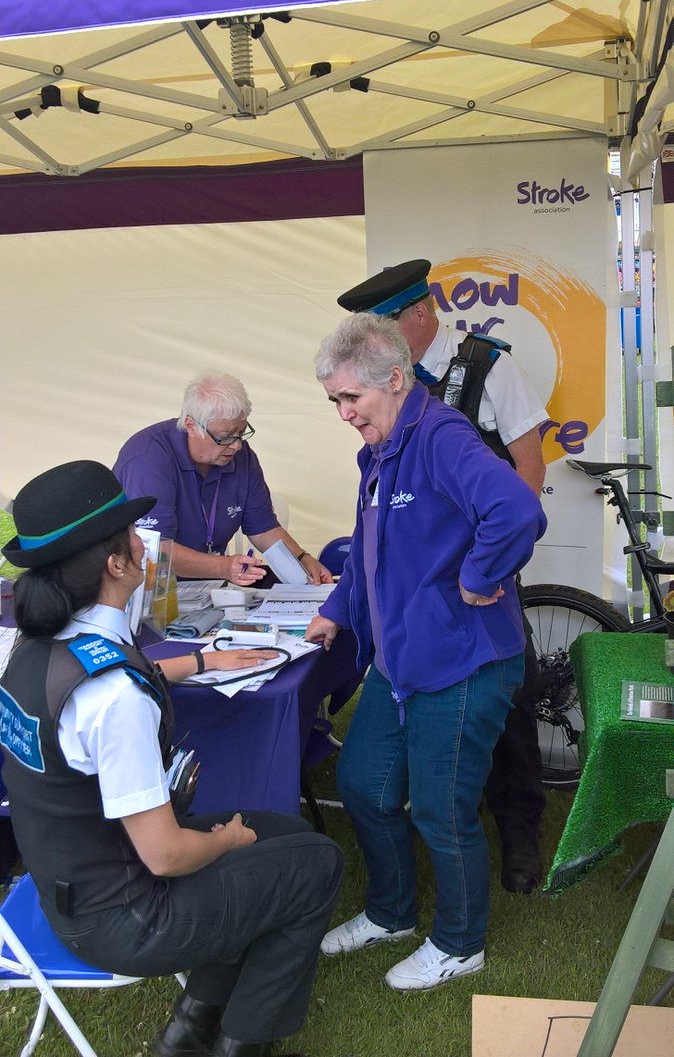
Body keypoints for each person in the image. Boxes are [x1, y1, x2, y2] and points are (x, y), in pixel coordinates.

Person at [0, 461, 343, 1057]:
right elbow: (165, 855)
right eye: (135, 534)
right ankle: (240, 1043)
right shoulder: (116, 699)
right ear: (116, 563)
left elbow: (99, 694)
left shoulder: (34, 651)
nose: (146, 542)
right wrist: (227, 843)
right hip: (126, 915)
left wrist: (197, 663)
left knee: (283, 833)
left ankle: (188, 1030)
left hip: (67, 883)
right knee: (314, 866)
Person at [305, 314, 546, 992]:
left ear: (396, 378)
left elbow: (518, 511)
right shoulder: (379, 452)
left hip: (464, 660)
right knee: (362, 786)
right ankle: (391, 913)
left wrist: (478, 576)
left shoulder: (440, 434)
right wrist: (333, 613)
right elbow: (365, 550)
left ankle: (461, 943)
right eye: (335, 402)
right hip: (402, 659)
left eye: (352, 398)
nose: (345, 414)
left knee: (442, 808)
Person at [337, 260, 548, 894]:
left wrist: (491, 570)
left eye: (389, 327)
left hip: (483, 582)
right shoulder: (380, 392)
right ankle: (441, 826)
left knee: (509, 701)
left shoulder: (488, 367)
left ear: (422, 314)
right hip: (424, 594)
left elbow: (527, 473)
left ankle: (518, 834)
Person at [113, 372, 332, 587]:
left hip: (207, 591)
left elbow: (264, 529)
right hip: (146, 589)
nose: (237, 445)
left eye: (242, 432)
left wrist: (303, 558)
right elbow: (153, 550)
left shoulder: (242, 456)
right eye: (225, 436)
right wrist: (223, 567)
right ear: (191, 426)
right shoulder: (148, 458)